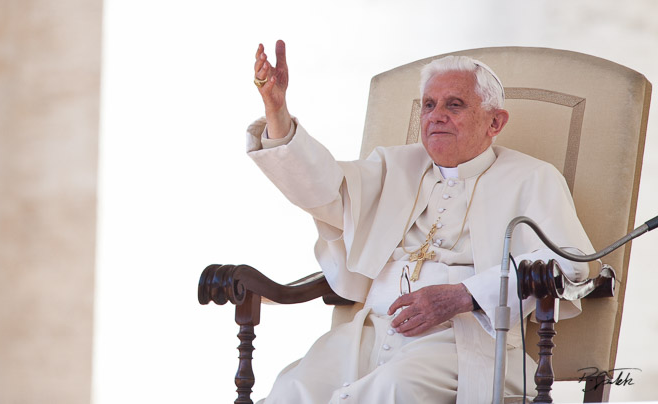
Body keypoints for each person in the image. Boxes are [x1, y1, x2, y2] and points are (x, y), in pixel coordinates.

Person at [248, 40, 594, 403]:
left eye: (454, 105)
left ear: (495, 121)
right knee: (293, 390)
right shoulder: (393, 165)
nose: (436, 115)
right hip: (371, 330)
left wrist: (465, 295)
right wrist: (277, 110)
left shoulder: (533, 177)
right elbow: (324, 191)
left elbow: (571, 263)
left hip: (462, 339)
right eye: (429, 105)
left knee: (392, 389)